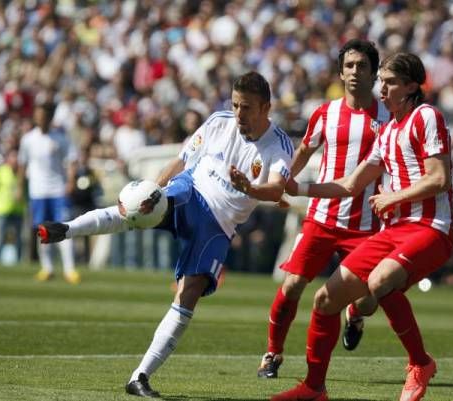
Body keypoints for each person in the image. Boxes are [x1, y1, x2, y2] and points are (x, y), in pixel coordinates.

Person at [37, 71, 293, 398]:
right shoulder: (218, 122)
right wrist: (154, 189)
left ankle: (139, 377)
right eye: (236, 105)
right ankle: (67, 229)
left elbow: (275, 190)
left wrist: (250, 187)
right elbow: (182, 160)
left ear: (265, 108)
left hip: (219, 224)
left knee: (190, 292)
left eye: (247, 108)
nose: (239, 114)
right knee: (139, 207)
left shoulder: (279, 144)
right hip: (191, 191)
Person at [272, 52, 453, 401]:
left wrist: (393, 197)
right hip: (394, 232)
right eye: (381, 80)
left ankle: (420, 363)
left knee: (380, 281)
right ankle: (314, 389)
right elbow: (351, 185)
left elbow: (440, 178)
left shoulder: (427, 117)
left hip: (432, 226)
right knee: (326, 299)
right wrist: (299, 189)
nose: (381, 87)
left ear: (412, 87)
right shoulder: (386, 133)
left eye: (389, 82)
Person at [257, 39, 391, 379]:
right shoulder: (326, 113)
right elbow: (304, 149)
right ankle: (272, 354)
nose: (355, 72)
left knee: (368, 299)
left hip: (366, 226)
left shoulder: (390, 117)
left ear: (374, 72)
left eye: (362, 66)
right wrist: (282, 179)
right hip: (322, 217)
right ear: (340, 72)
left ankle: (356, 315)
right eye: (349, 66)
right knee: (291, 286)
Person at [18, 103, 80, 284]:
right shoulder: (28, 139)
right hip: (37, 192)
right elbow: (22, 164)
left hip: (58, 190)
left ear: (50, 118)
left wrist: (70, 181)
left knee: (64, 227)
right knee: (42, 230)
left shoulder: (60, 138)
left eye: (45, 116)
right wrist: (20, 187)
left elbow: (72, 160)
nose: (41, 119)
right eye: (38, 116)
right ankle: (47, 268)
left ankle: (70, 269)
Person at [0, 148, 25, 264]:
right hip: (2, 209)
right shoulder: (2, 170)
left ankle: (18, 261)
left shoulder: (22, 172)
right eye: (13, 157)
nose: (15, 160)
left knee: (19, 239)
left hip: (18, 209)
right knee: (1, 237)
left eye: (16, 157)